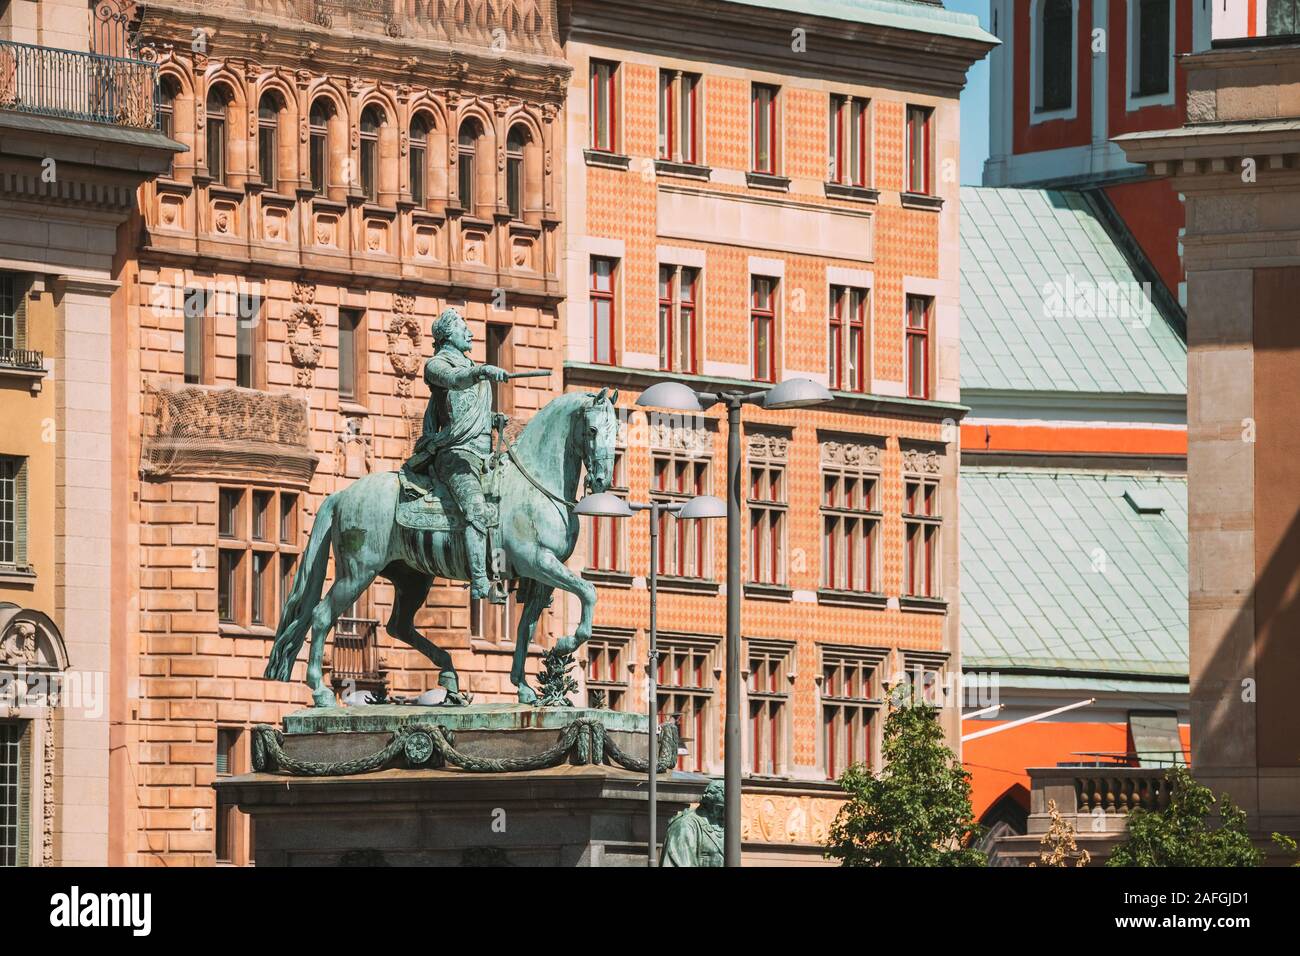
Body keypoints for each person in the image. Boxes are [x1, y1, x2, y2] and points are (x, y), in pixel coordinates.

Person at [402, 308, 509, 600]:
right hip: (455, 456)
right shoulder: (436, 366)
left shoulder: (469, 365)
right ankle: (479, 581)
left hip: (483, 456)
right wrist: (482, 371)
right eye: (464, 328)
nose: (471, 333)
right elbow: (455, 380)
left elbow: (469, 410)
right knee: (475, 509)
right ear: (448, 334)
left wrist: (491, 419)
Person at [660, 778, 725, 867]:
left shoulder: (725, 828)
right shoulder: (685, 826)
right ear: (707, 803)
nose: (723, 814)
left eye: (727, 810)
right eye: (719, 809)